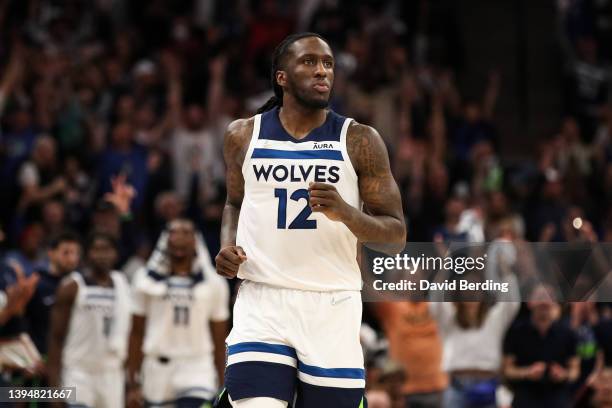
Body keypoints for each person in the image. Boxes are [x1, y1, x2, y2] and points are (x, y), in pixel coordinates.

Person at [215, 32, 406, 407]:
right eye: (310, 62)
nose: (322, 71)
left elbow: (395, 236)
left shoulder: (359, 140)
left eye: (328, 64)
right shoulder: (242, 135)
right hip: (262, 299)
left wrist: (347, 214)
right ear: (282, 77)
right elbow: (234, 203)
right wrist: (226, 244)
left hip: (332, 304)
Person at [127, 219, 229, 407]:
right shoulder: (144, 280)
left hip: (197, 367)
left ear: (196, 240)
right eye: (174, 231)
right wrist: (132, 382)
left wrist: (223, 382)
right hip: (156, 368)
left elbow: (219, 338)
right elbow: (136, 332)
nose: (180, 236)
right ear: (165, 240)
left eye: (186, 232)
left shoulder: (214, 283)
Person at [47, 231, 131, 408]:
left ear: (115, 254)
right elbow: (56, 338)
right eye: (96, 250)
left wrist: (132, 381)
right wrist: (54, 389)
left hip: (112, 372)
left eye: (107, 250)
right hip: (78, 372)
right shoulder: (72, 286)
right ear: (87, 254)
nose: (102, 255)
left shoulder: (122, 283)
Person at [503, 284, 580, 408]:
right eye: (539, 297)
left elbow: (575, 371)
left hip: (557, 399)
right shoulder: (516, 332)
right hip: (525, 398)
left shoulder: (568, 333)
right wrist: (527, 372)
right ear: (529, 302)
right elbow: (507, 370)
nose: (544, 301)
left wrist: (563, 374)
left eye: (549, 297)